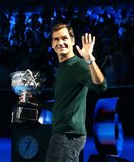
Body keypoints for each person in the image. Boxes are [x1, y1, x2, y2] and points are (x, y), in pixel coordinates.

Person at [43, 23, 107, 162]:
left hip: (70, 135)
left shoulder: (79, 65)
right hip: (60, 134)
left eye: (64, 38)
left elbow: (101, 86)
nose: (60, 42)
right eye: (56, 39)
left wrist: (89, 59)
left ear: (72, 41)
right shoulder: (63, 67)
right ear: (52, 44)